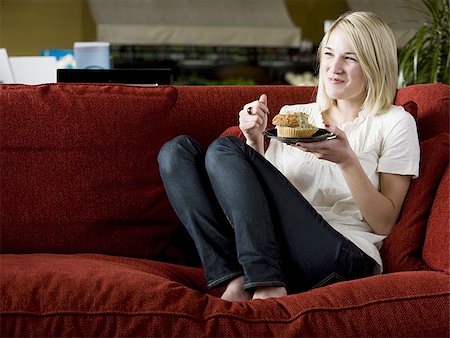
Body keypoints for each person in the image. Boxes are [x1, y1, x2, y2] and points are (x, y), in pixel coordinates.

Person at [157, 11, 420, 301]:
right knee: (175, 152)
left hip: (341, 254)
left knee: (223, 149)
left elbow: (385, 222)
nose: (334, 68)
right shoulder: (294, 117)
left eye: (350, 58)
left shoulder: (395, 121)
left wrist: (347, 161)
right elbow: (259, 204)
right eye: (329, 54)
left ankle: (266, 281)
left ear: (375, 65)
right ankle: (235, 274)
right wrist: (255, 141)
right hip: (279, 248)